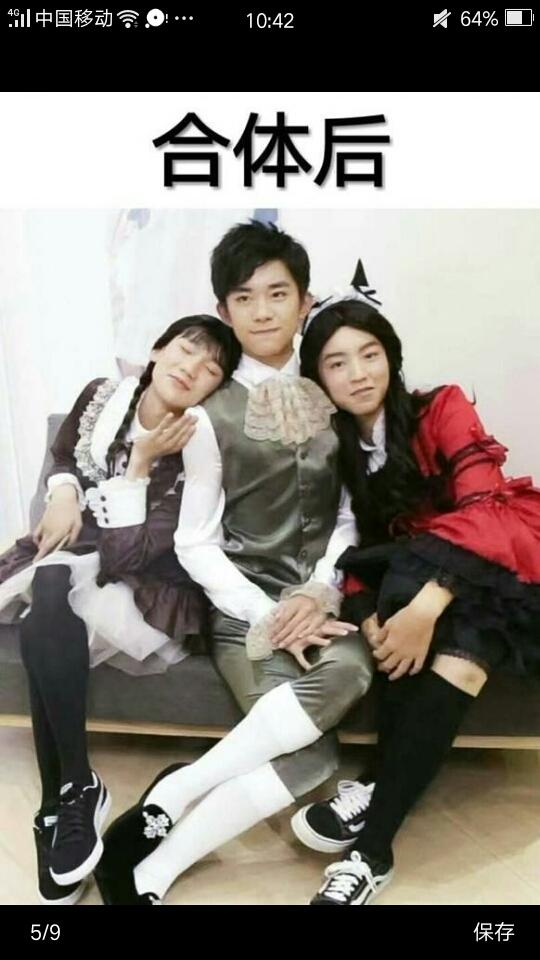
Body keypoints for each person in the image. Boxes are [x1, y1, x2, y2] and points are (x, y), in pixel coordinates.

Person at [96, 221, 374, 905]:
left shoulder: (333, 387)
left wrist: (318, 590)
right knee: (314, 756)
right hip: (243, 611)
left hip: (323, 602)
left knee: (353, 668)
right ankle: (156, 873)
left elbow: (348, 514)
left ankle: (175, 796)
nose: (262, 312)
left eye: (277, 294)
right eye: (243, 298)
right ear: (224, 309)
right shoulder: (207, 414)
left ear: (304, 301)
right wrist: (270, 612)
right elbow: (195, 541)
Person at [293, 275, 540, 905]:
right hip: (411, 577)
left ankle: (369, 853)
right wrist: (370, 618)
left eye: (370, 354)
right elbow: (360, 546)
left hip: (503, 563)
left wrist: (426, 606)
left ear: (391, 355)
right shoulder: (340, 449)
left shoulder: (442, 406)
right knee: (395, 598)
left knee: (456, 643)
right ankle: (380, 786)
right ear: (318, 377)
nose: (358, 374)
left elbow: (484, 510)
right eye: (337, 363)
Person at [0, 315, 241, 904]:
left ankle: (61, 800)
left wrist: (139, 464)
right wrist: (62, 493)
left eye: (211, 369)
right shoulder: (102, 396)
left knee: (48, 596)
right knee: (49, 589)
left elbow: (127, 554)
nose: (192, 368)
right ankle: (74, 792)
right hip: (71, 550)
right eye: (186, 349)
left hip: (140, 577)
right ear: (157, 350)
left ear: (216, 388)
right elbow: (64, 454)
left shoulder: (198, 445)